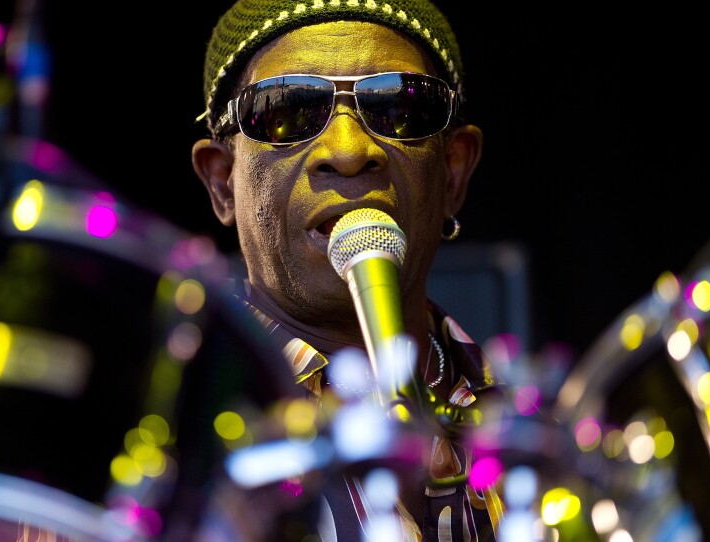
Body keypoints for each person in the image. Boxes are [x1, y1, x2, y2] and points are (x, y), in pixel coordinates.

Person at [191, 0, 503, 539]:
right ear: (223, 183)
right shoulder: (175, 436)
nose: (349, 150)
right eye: (286, 109)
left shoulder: (533, 432)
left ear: (453, 172)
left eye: (398, 107)